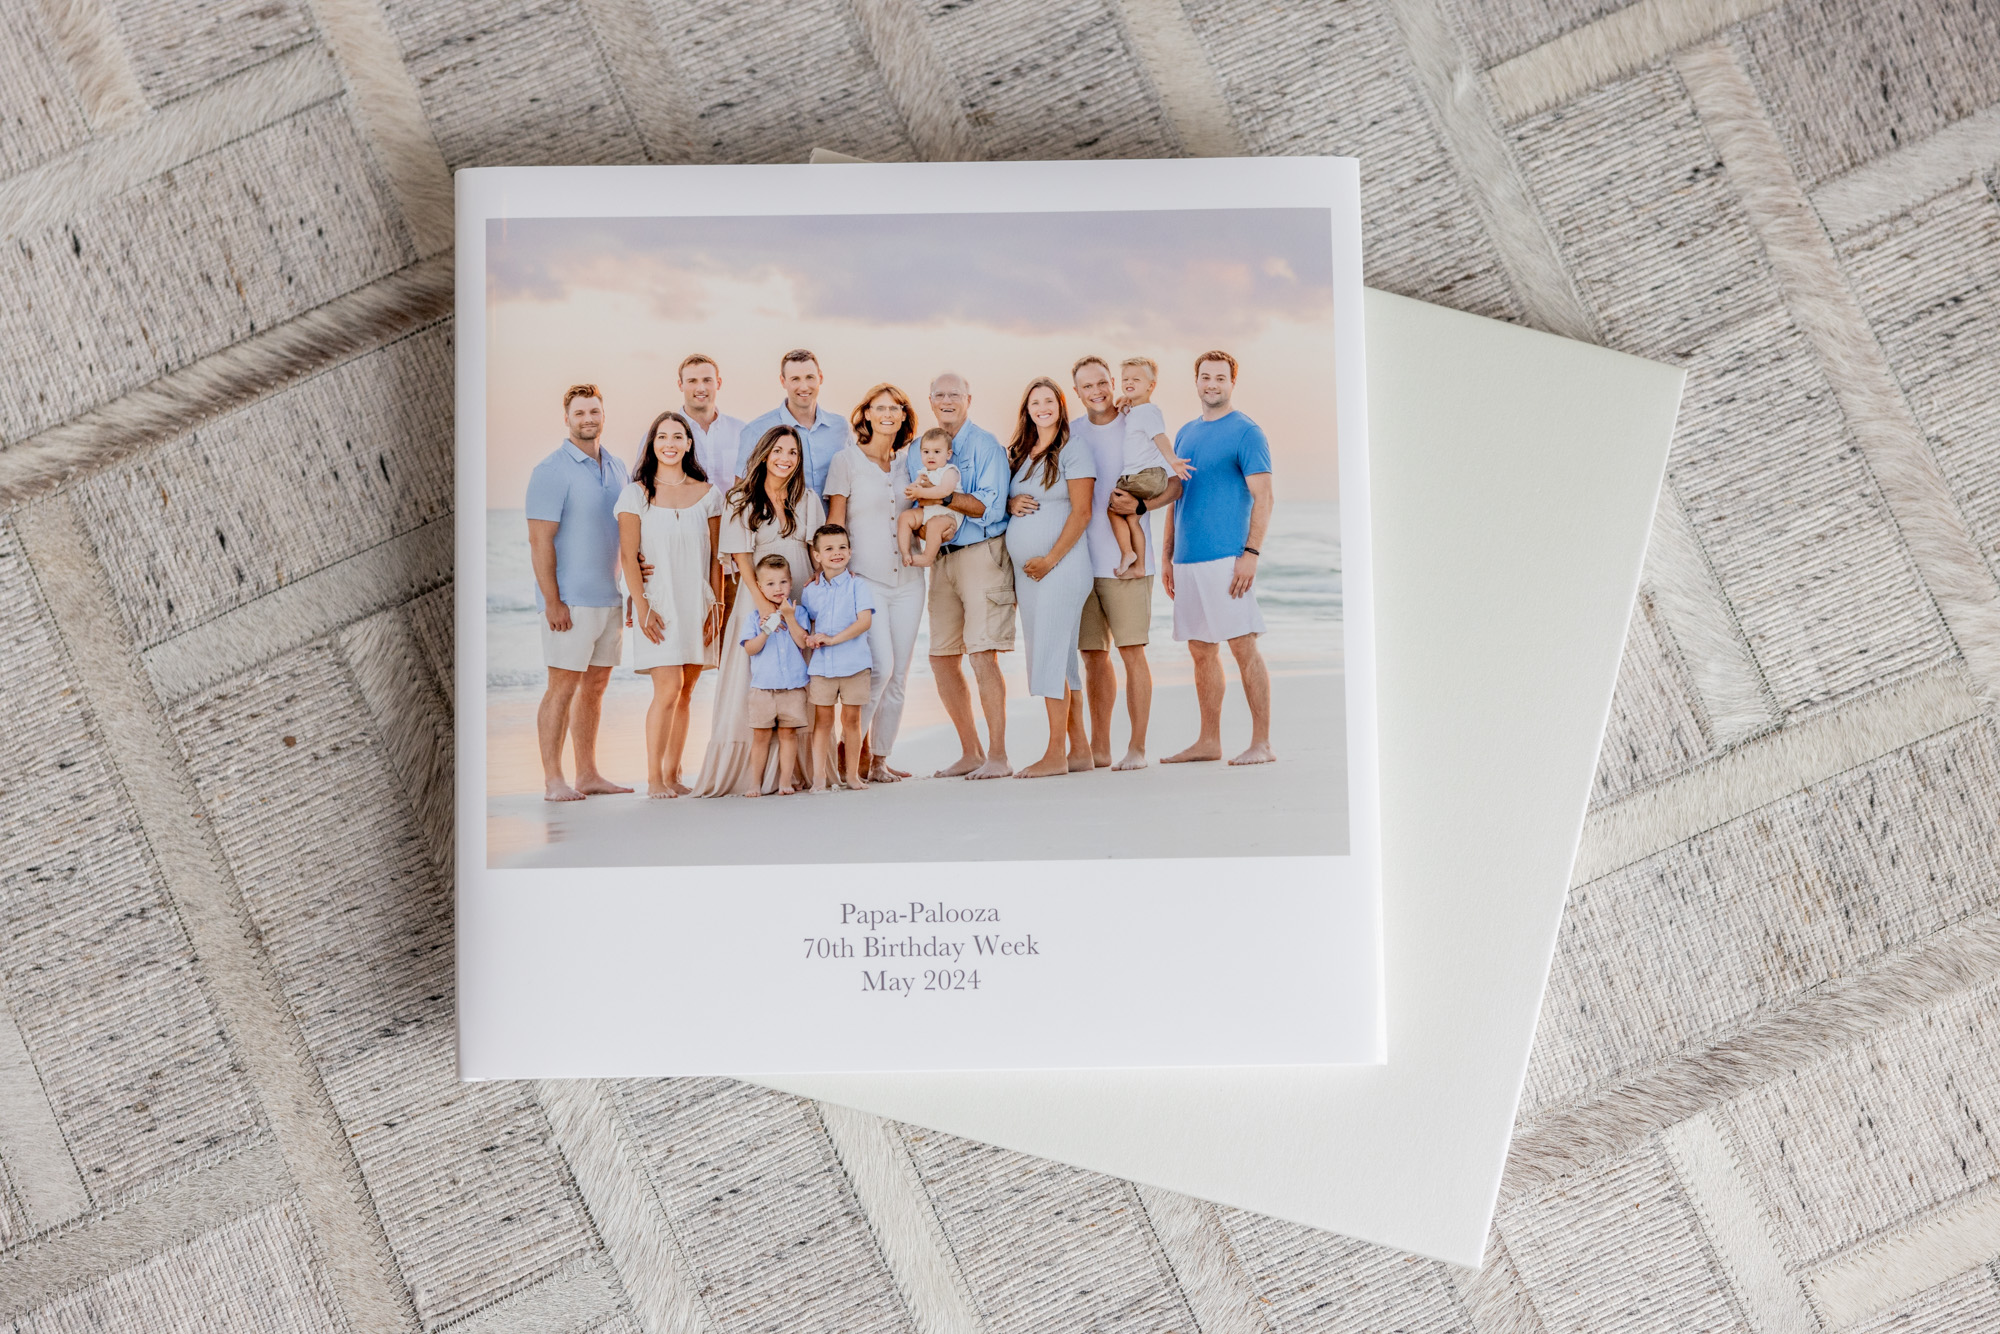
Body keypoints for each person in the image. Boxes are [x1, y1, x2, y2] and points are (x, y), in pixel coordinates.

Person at [691, 425, 827, 796]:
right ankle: (749, 775)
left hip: (797, 599)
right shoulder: (740, 499)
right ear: (765, 453)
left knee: (798, 680)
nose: (786, 458)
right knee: (752, 678)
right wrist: (764, 603)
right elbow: (741, 558)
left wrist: (811, 601)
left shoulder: (807, 498)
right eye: (778, 450)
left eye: (793, 452)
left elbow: (816, 552)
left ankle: (795, 772)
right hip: (756, 598)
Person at [1162, 350, 1276, 766]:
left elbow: (1264, 497)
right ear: (1196, 381)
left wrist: (1251, 554)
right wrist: (1167, 556)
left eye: (1220, 378)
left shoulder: (1247, 433)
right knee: (1200, 650)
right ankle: (1209, 741)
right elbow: (1177, 498)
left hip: (1227, 560)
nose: (1212, 384)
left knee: (1243, 647)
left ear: (1232, 382)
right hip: (1187, 561)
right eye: (1205, 377)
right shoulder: (1184, 433)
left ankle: (1261, 743)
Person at [1069, 356, 1182, 771]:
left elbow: (1175, 485)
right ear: (1077, 392)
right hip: (1081, 563)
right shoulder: (1071, 432)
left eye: (1102, 382)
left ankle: (1136, 749)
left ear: (1112, 382)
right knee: (1092, 657)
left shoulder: (1137, 420)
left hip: (1129, 564)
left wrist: (1141, 506)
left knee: (1132, 653)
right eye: (1087, 386)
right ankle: (1099, 749)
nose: (1096, 391)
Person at [525, 384, 632, 802]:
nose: (588, 419)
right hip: (569, 602)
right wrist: (552, 601)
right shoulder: (550, 471)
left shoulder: (618, 467)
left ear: (604, 414)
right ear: (567, 419)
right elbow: (539, 541)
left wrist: (634, 587)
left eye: (594, 411)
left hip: (609, 597)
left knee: (596, 686)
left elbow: (626, 533)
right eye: (580, 413)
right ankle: (554, 779)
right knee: (562, 686)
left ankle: (587, 774)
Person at [615, 410, 724, 798]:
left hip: (697, 602)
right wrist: (641, 605)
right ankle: (654, 779)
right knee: (668, 688)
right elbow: (628, 557)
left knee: (686, 690)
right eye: (662, 437)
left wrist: (717, 606)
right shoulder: (636, 494)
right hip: (658, 604)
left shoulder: (709, 495)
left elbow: (716, 559)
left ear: (689, 444)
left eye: (678, 436)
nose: (670, 444)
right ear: (652, 443)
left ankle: (674, 773)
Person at [912, 372, 1015, 779]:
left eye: (955, 393)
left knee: (982, 654)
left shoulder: (986, 445)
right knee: (941, 657)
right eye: (939, 394)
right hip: (939, 559)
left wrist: (945, 497)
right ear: (930, 400)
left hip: (980, 554)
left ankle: (998, 756)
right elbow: (915, 505)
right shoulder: (918, 449)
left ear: (968, 399)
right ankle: (970, 752)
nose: (947, 400)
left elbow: (991, 508)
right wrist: (925, 528)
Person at [824, 384, 924, 783]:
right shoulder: (845, 460)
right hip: (866, 580)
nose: (887, 414)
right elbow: (835, 521)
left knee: (899, 674)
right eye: (879, 408)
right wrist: (832, 575)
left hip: (910, 580)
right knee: (880, 668)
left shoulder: (910, 464)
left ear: (903, 416)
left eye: (895, 408)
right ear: (866, 414)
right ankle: (847, 756)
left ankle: (880, 761)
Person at [1003, 377, 1096, 779]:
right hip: (1032, 577)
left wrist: (1049, 560)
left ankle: (1055, 753)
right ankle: (1081, 752)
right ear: (1026, 410)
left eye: (1049, 401)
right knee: (1060, 659)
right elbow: (1008, 500)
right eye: (1034, 403)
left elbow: (1082, 512)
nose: (1042, 408)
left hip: (1062, 568)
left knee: (1051, 656)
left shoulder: (1074, 449)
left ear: (1060, 405)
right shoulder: (1022, 454)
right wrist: (1011, 502)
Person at [797, 525, 875, 792]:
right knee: (823, 722)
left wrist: (832, 639)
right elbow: (806, 623)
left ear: (850, 552)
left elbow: (864, 622)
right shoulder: (810, 590)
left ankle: (851, 776)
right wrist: (809, 637)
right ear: (817, 556)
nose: (837, 553)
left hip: (855, 664)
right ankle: (819, 777)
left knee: (852, 721)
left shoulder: (857, 585)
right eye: (829, 549)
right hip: (822, 667)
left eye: (842, 547)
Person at [676, 353, 747, 628]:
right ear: (680, 385)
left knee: (732, 641)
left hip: (734, 560)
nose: (700, 387)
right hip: (684, 558)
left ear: (718, 383)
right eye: (692, 381)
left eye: (707, 380)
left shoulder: (742, 432)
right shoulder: (664, 433)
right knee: (688, 641)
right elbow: (644, 494)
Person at [1108, 357, 1191, 577]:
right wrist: (1126, 402)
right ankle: (1140, 566)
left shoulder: (1147, 411)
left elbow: (1159, 436)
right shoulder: (1137, 411)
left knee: (1114, 508)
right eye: (1126, 379)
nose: (1129, 382)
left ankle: (1128, 553)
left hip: (1144, 476)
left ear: (1151, 386)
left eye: (1136, 379)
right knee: (1132, 517)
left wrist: (1173, 459)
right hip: (1149, 476)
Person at [738, 554, 811, 797]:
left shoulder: (799, 613)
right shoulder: (754, 618)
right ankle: (754, 783)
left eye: (783, 582)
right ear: (760, 587)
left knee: (788, 735)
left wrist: (788, 616)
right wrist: (765, 631)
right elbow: (750, 649)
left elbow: (803, 642)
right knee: (760, 736)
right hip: (763, 689)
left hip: (793, 688)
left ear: (791, 582)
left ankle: (786, 781)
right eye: (770, 584)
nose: (778, 588)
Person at [739, 349, 852, 497]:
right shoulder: (757, 430)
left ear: (820, 377)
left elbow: (854, 477)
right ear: (783, 381)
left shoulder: (840, 427)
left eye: (810, 377)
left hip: (834, 512)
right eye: (795, 379)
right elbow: (742, 491)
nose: (804, 387)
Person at [897, 428, 961, 566]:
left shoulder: (950, 471)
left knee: (934, 524)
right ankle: (905, 553)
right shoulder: (923, 472)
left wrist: (920, 493)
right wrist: (912, 491)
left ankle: (927, 557)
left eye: (937, 452)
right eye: (926, 452)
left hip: (948, 515)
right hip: (929, 511)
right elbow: (915, 486)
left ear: (948, 454)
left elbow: (944, 491)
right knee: (905, 517)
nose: (931, 456)